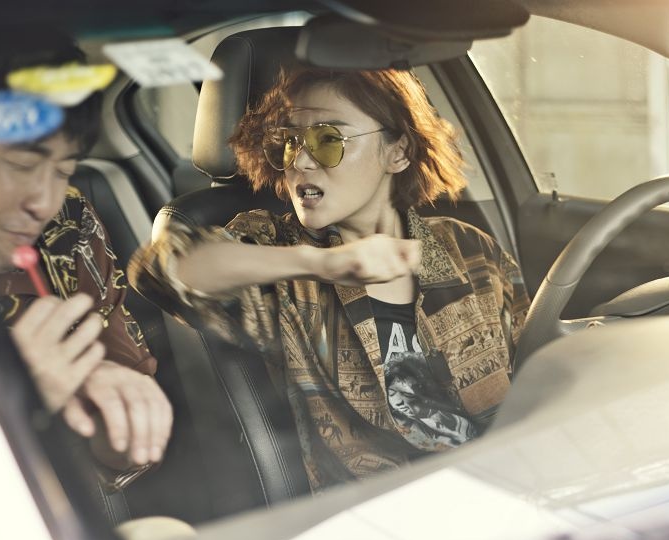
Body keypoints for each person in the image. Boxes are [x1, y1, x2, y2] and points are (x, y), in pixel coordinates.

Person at [131, 66, 530, 490]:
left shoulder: (469, 249)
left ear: (397, 152)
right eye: (289, 142)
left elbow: (535, 373)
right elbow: (163, 270)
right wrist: (326, 263)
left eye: (328, 139)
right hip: (377, 511)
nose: (300, 162)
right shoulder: (274, 250)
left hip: (511, 482)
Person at [0, 38, 172, 476]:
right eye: (20, 164)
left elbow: (124, 441)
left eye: (64, 170)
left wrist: (117, 427)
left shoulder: (68, 227)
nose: (44, 203)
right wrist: (3, 396)